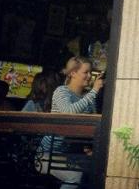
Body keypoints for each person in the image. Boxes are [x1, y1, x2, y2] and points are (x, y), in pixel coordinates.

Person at [38, 56, 104, 189]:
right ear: (73, 73)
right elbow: (69, 113)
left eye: (90, 72)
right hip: (48, 154)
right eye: (86, 72)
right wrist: (94, 91)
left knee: (99, 171)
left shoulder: (87, 96)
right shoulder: (61, 91)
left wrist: (90, 147)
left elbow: (94, 124)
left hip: (72, 153)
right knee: (75, 176)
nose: (89, 76)